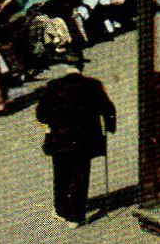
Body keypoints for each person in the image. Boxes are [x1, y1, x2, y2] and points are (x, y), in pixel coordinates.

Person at [34, 58, 117, 227]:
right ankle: (75, 216)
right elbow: (108, 108)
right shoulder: (93, 85)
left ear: (65, 67)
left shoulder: (53, 86)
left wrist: (50, 124)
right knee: (80, 174)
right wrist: (110, 126)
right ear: (81, 66)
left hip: (59, 137)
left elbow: (41, 113)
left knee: (61, 174)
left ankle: (60, 210)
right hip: (84, 138)